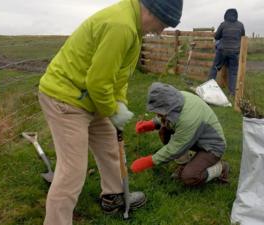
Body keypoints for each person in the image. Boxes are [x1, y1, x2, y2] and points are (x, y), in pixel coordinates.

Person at [38, 0, 183, 224]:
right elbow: (98, 82)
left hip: (90, 98)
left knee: (110, 148)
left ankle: (113, 197)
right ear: (151, 10)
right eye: (162, 24)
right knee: (72, 172)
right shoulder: (121, 26)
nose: (160, 31)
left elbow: (119, 76)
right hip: (65, 98)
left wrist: (120, 103)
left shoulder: (133, 28)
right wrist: (111, 110)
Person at [130, 82, 229, 187]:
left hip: (212, 147)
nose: (157, 114)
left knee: (190, 177)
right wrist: (152, 124)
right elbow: (169, 116)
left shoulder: (188, 118)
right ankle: (184, 164)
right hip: (196, 138)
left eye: (159, 110)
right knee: (164, 130)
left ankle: (221, 167)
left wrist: (150, 161)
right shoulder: (177, 99)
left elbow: (176, 147)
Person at [208, 8, 245, 96]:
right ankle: (232, 93)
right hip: (235, 52)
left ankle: (209, 88)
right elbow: (243, 37)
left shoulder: (223, 24)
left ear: (226, 15)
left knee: (215, 68)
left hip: (222, 51)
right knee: (233, 72)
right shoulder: (240, 25)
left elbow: (216, 36)